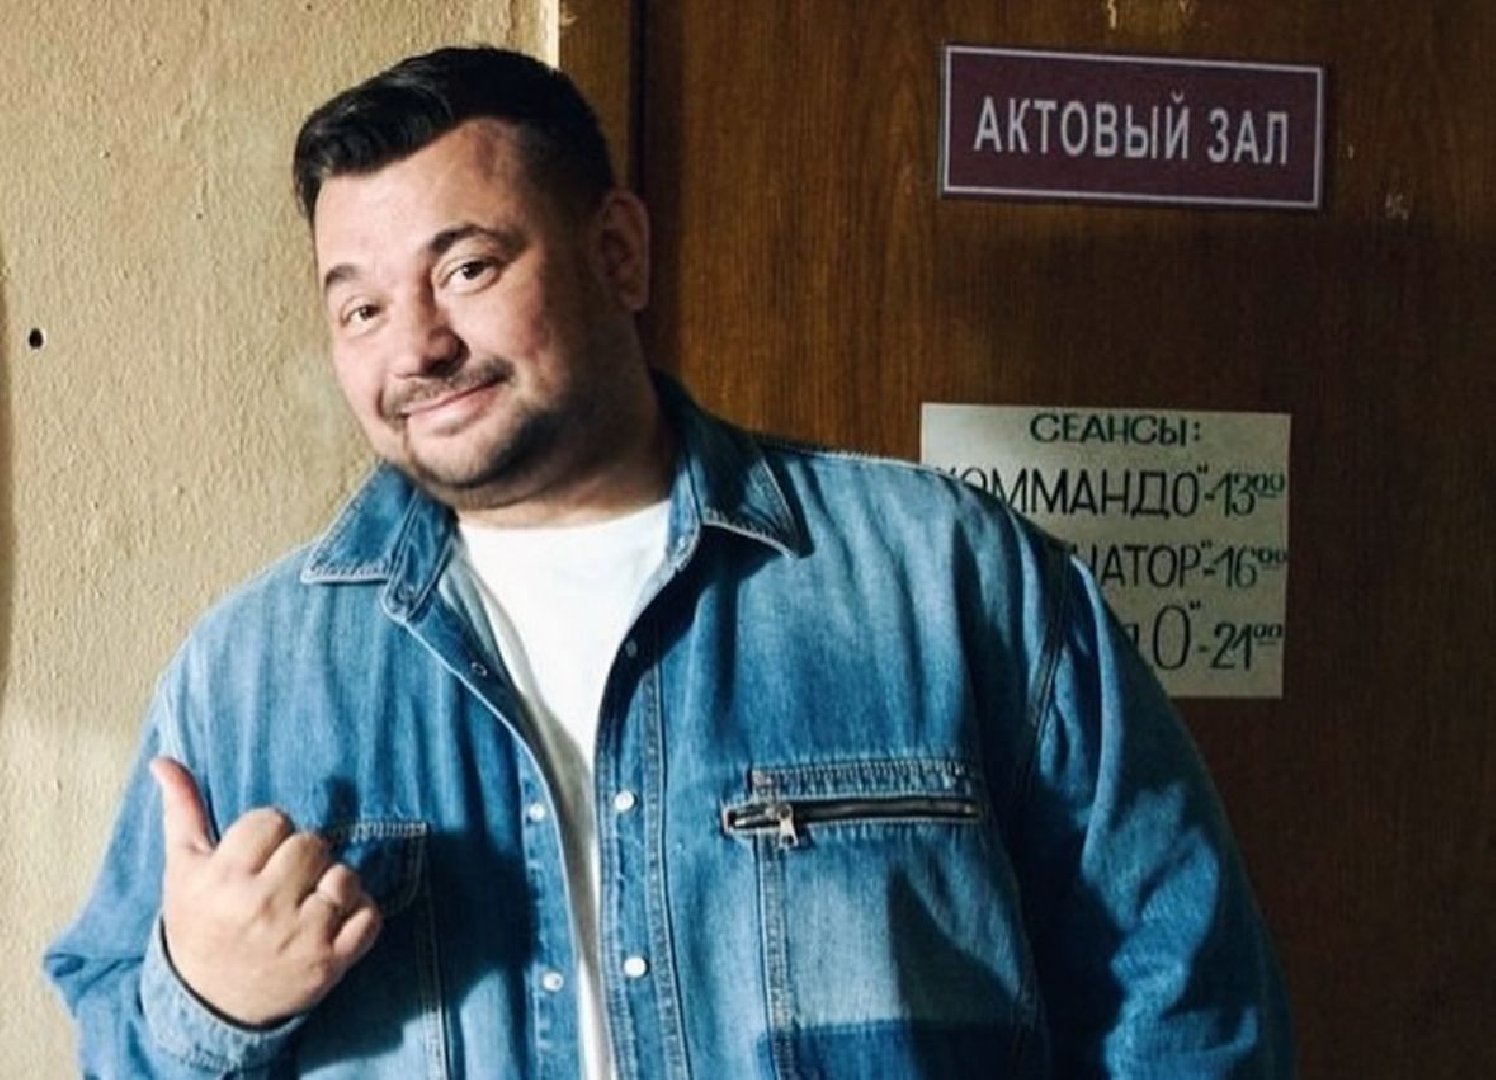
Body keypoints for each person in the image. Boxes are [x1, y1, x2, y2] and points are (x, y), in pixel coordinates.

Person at [45, 44, 1292, 1079]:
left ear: (618, 253)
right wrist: (208, 1003)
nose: (415, 346)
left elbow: (1185, 1000)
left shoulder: (946, 578)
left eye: (467, 269)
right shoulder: (251, 675)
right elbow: (117, 1039)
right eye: (359, 307)